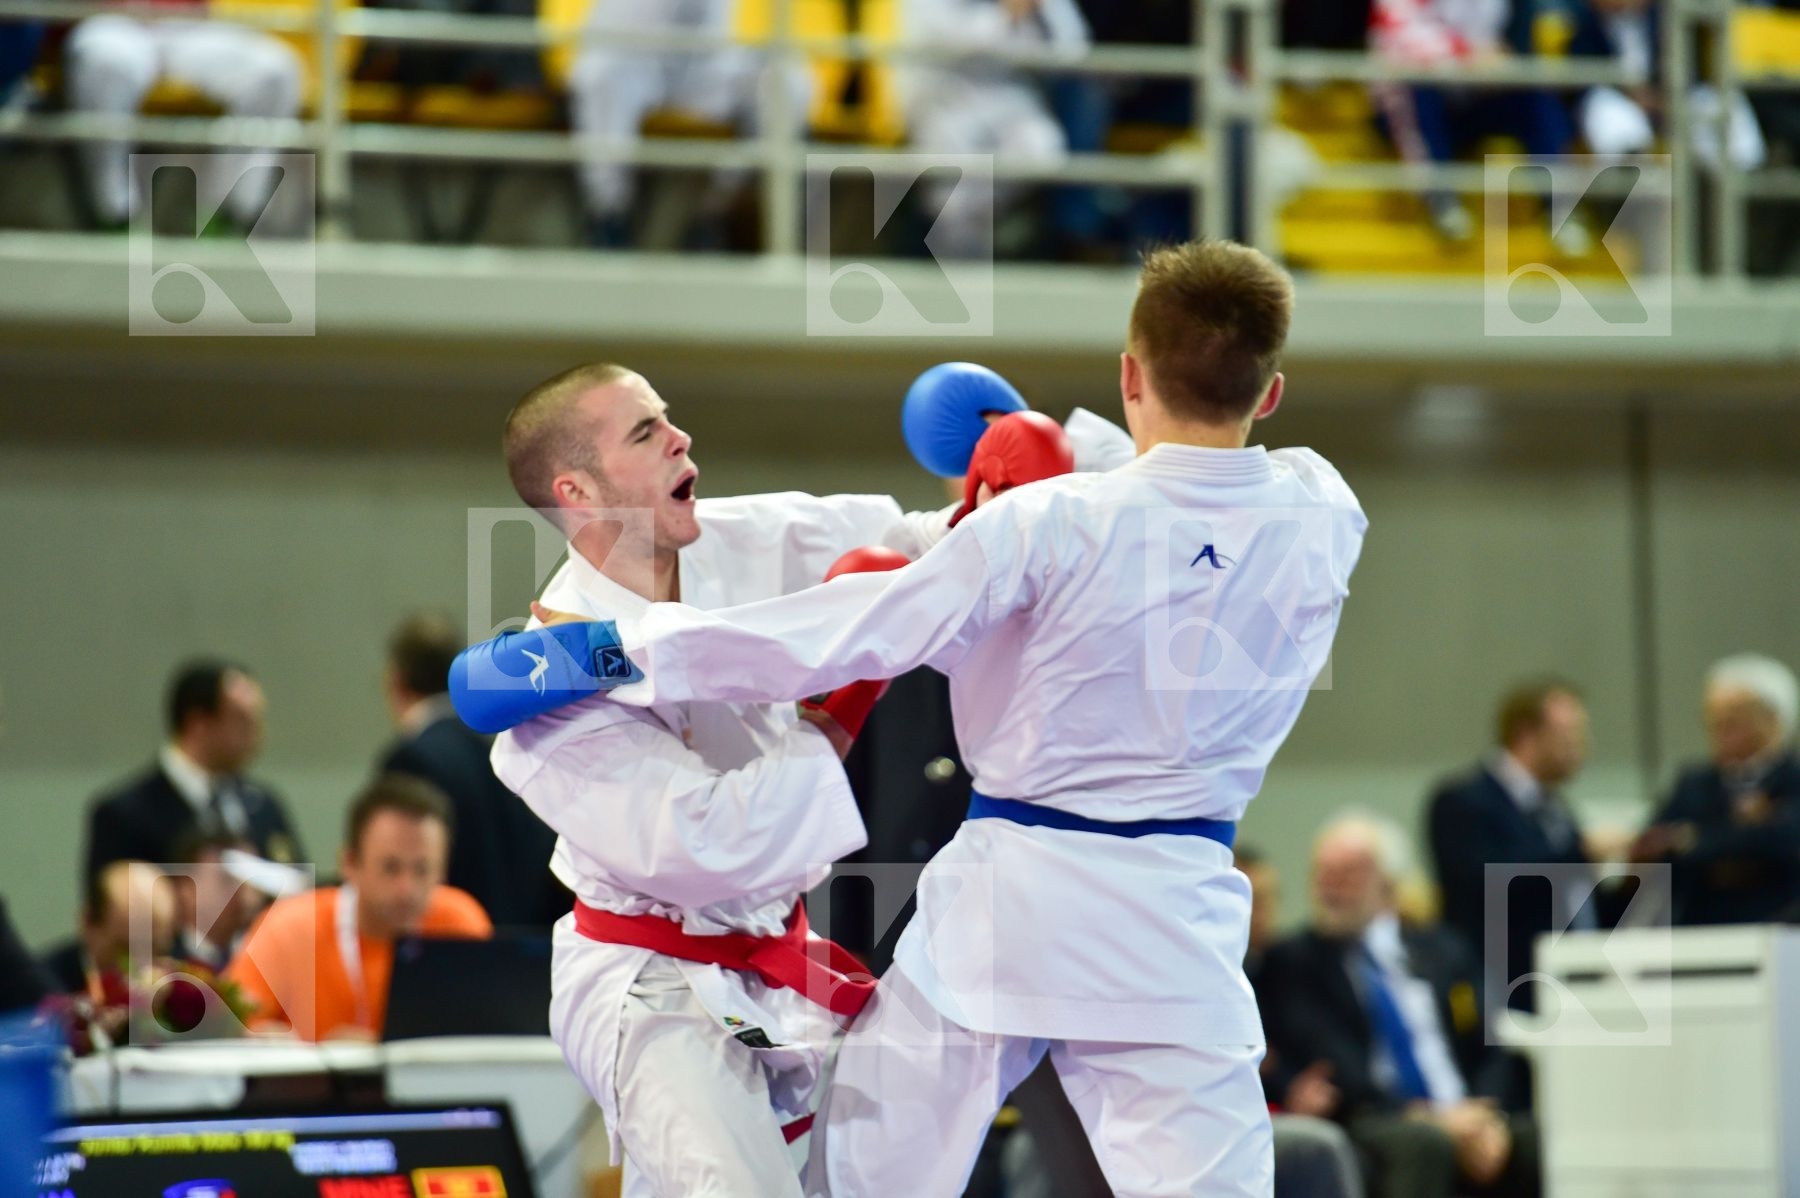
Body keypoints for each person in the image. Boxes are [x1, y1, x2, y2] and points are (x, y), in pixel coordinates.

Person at [531, 240, 1367, 1197]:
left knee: (853, 1183)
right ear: (1271, 394)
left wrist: (616, 652)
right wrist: (1038, 434)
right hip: (1177, 920)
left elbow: (841, 632)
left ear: (1130, 372)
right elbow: (1175, 483)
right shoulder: (1323, 508)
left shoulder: (1050, 527)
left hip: (1006, 907)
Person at [468, 360, 987, 1198]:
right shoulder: (542, 700)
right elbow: (709, 843)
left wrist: (1000, 495)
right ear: (579, 491)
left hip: (781, 956)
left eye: (667, 418)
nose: (681, 437)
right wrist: (836, 715)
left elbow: (915, 545)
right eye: (645, 432)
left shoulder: (740, 537)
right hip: (651, 985)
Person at [1260, 814, 1539, 1198]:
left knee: (1535, 1139)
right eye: (1322, 872)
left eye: (1349, 872)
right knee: (1424, 1144)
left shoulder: (1444, 950)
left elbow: (1491, 1041)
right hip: (1376, 1117)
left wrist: (1486, 1116)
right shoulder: (1296, 961)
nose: (1330, 885)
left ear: (1388, 882)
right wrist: (1432, 1118)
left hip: (1468, 1109)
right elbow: (1332, 1059)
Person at [224, 774, 490, 1041]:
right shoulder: (290, 929)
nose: (406, 889)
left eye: (423, 870)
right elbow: (222, 1028)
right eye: (390, 867)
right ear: (350, 864)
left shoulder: (460, 926)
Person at [567, 0, 809, 248]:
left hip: (706, 63)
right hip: (630, 54)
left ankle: (714, 215)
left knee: (788, 83)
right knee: (598, 74)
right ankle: (608, 217)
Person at [380, 612, 566, 929]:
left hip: (450, 950)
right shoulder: (504, 751)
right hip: (523, 951)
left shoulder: (411, 761)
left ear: (396, 682)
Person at [1426, 679, 1600, 1012]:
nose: (1580, 747)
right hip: (1502, 993)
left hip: (1569, 993)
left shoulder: (1556, 811)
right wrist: (1582, 852)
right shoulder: (1462, 801)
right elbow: (1487, 883)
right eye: (1569, 735)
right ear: (1526, 734)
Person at [62, 7, 301, 228]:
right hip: (115, 21)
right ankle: (114, 214)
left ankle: (227, 217)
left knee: (274, 73)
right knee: (106, 63)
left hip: (192, 25)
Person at [85, 660, 304, 887]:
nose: (257, 735)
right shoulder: (125, 816)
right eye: (241, 720)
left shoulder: (264, 806)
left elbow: (300, 892)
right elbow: (119, 914)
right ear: (198, 723)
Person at [901, 0, 1090, 257]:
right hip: (946, 98)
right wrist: (1007, 14)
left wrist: (1039, 10)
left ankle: (978, 233)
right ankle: (959, 259)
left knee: (1043, 147)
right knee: (948, 194)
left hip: (1013, 97)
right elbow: (944, 38)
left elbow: (1074, 47)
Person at [1633, 654, 1800, 926]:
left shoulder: (1793, 781)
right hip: (1703, 933)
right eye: (1712, 715)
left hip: (1782, 929)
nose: (1719, 726)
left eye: (1734, 716)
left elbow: (1785, 839)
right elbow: (1655, 846)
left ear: (1772, 719)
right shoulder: (1693, 784)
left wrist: (1693, 839)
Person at [40, 860, 178, 998]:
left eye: (155, 948)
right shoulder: (45, 991)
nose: (142, 964)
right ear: (88, 924)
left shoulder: (185, 988)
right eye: (126, 949)